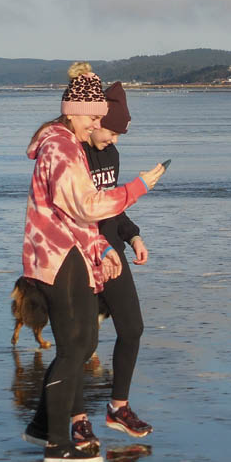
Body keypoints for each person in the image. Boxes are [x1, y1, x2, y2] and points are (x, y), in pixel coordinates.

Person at [21, 62, 165, 462]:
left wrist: (107, 243)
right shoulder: (63, 149)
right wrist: (138, 188)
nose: (99, 125)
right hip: (58, 256)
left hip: (79, 251)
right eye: (95, 118)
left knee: (82, 345)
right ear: (73, 111)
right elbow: (87, 206)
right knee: (76, 348)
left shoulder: (74, 146)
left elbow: (82, 215)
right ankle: (58, 441)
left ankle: (42, 426)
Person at [82, 81, 154, 438]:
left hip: (113, 254)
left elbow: (112, 204)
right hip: (78, 255)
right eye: (112, 132)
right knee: (79, 343)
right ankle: (72, 419)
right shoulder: (75, 151)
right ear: (94, 121)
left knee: (133, 328)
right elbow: (79, 210)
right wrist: (101, 244)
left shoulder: (110, 153)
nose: (115, 141)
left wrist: (132, 234)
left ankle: (117, 408)